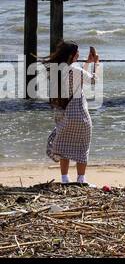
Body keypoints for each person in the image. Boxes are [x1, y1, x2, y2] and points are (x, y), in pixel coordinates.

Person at [44, 41, 98, 185]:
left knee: (63, 146)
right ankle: (81, 178)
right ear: (72, 54)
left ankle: (65, 178)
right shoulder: (75, 69)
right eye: (77, 51)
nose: (79, 54)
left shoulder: (57, 70)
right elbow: (92, 80)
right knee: (82, 147)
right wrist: (96, 64)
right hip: (79, 113)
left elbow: (80, 78)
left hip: (63, 113)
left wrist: (87, 62)